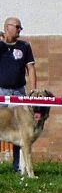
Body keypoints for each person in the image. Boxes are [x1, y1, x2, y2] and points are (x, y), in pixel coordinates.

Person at [0, 17, 37, 172]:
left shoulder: (24, 47)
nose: (20, 30)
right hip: (1, 92)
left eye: (20, 27)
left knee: (20, 129)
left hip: (19, 92)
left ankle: (18, 166)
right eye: (17, 27)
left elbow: (31, 69)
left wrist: (33, 90)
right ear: (7, 27)